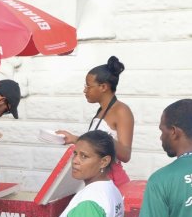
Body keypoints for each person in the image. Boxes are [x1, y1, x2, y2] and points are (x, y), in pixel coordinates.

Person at [56, 56, 134, 187]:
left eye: (88, 86)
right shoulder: (101, 110)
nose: (85, 90)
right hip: (98, 181)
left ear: (103, 87)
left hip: (113, 183)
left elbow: (125, 155)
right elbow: (95, 145)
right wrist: (74, 138)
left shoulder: (121, 111)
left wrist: (104, 138)